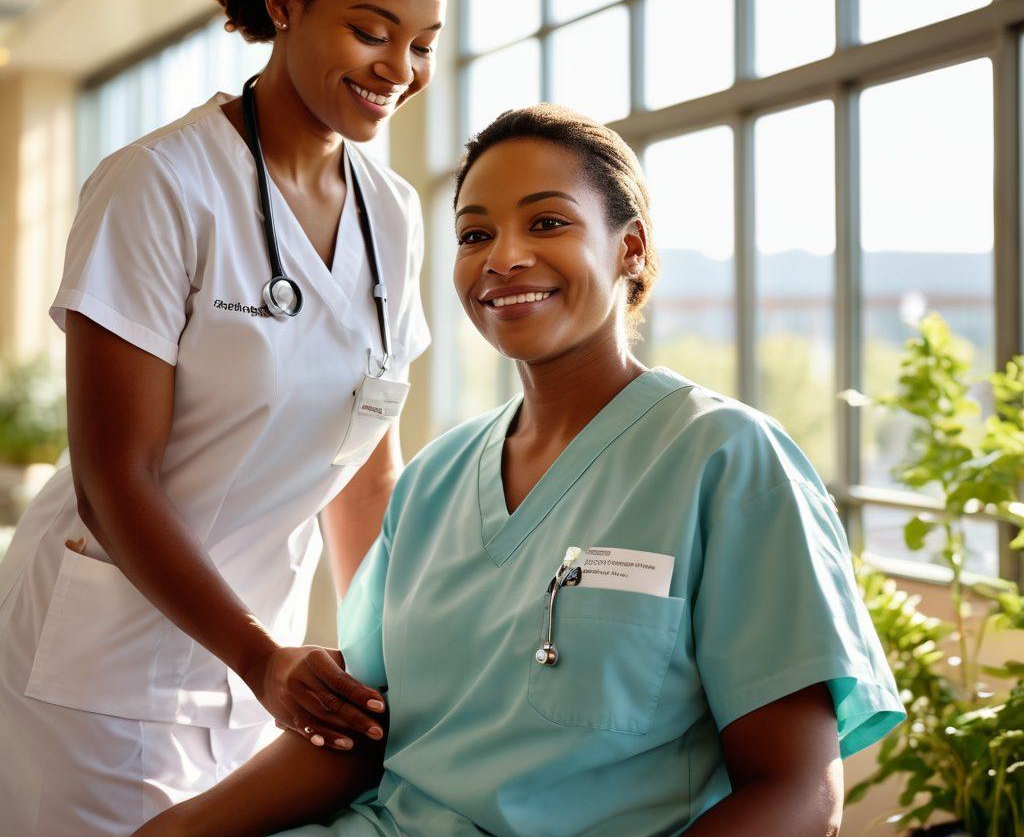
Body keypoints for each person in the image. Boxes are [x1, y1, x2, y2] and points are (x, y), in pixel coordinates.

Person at [135, 103, 906, 837]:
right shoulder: (434, 483)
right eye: (475, 234)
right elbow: (356, 736)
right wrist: (179, 828)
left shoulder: (727, 462)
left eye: (547, 223)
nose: (502, 258)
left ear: (630, 248)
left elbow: (797, 794)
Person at [0, 0, 463, 835]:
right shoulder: (158, 185)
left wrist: (401, 659)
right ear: (284, 3)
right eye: (372, 31)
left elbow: (364, 476)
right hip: (102, 674)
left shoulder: (392, 214)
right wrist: (259, 658)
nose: (399, 68)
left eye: (422, 44)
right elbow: (113, 479)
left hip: (260, 676)